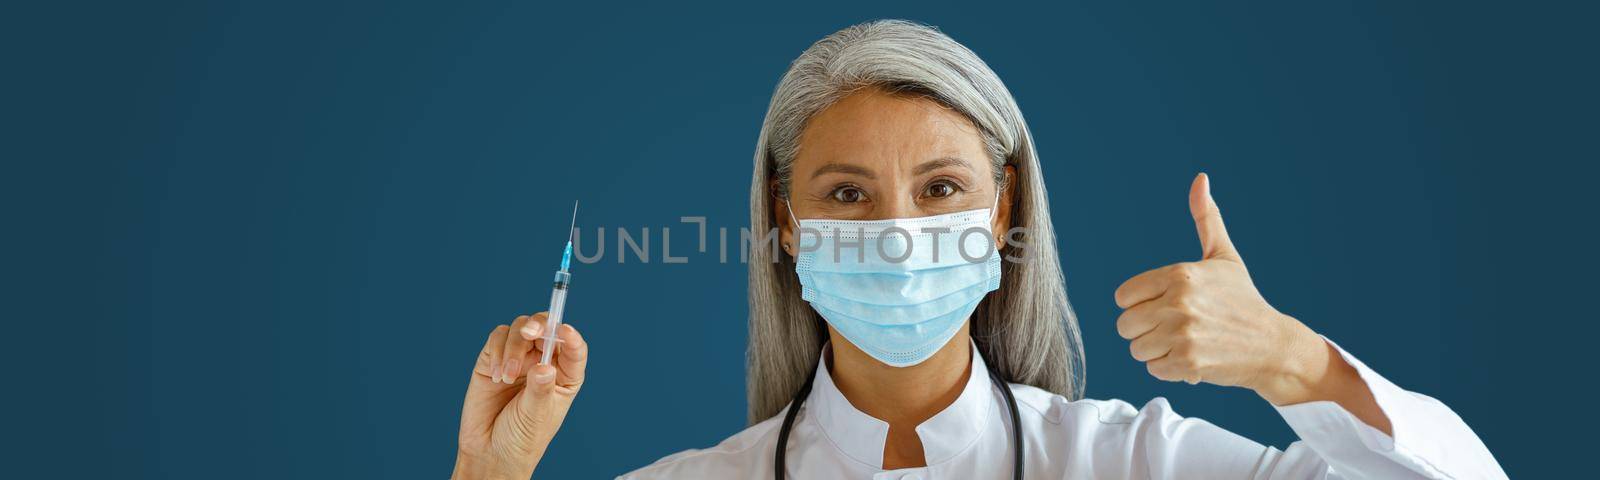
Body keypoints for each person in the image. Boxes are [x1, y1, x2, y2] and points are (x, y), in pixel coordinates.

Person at [450, 20, 1505, 479]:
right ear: (782, 223)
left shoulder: (1134, 463)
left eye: (942, 188)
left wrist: (1292, 361)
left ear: (1006, 214)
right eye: (846, 194)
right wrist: (485, 476)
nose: (899, 236)